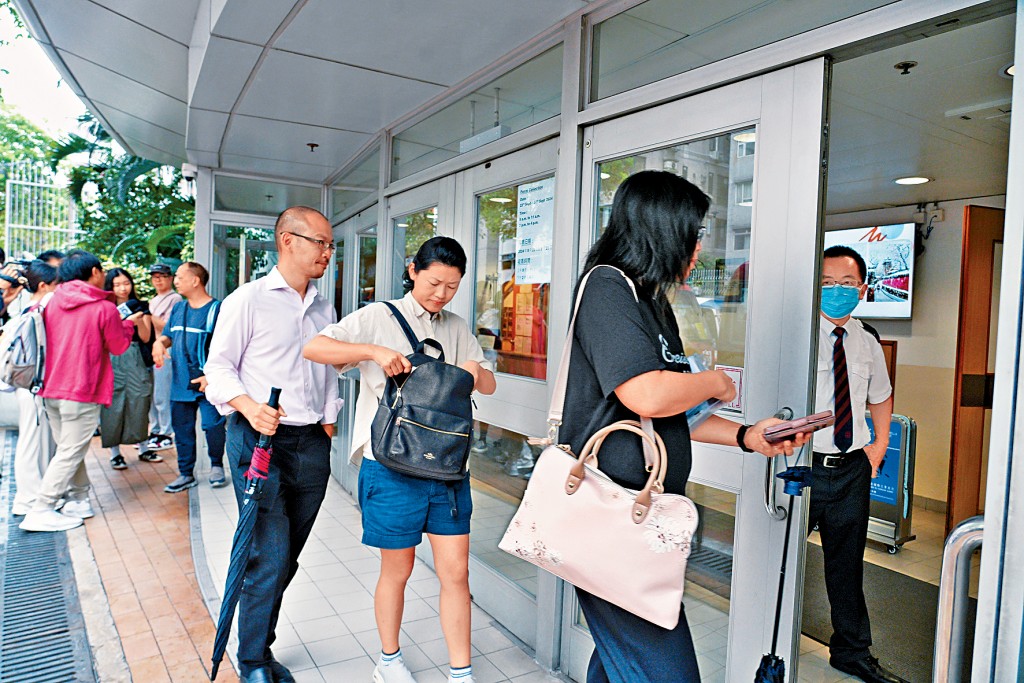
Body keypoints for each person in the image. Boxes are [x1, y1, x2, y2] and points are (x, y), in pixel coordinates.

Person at [558, 171, 801, 682]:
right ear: (663, 230)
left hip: (647, 519)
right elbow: (643, 392)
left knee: (620, 662)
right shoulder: (607, 286)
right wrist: (713, 381)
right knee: (666, 672)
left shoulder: (652, 301)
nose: (698, 246)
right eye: (695, 232)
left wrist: (746, 435)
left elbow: (670, 411)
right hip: (613, 521)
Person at [304, 236, 497, 683]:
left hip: (448, 468)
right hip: (392, 465)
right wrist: (373, 351)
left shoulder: (457, 326)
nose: (441, 295)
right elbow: (316, 348)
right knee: (398, 567)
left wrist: (474, 371)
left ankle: (461, 672)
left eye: (451, 286)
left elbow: (486, 385)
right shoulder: (378, 316)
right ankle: (388, 660)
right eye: (434, 283)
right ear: (413, 270)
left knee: (457, 573)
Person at [204, 206, 342, 683]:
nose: (328, 252)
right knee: (269, 554)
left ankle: (259, 642)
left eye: (330, 244)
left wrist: (329, 421)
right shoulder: (248, 300)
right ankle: (253, 661)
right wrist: (246, 404)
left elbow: (326, 371)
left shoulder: (325, 306)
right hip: (259, 441)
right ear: (287, 240)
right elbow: (217, 368)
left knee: (289, 555)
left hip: (311, 445)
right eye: (320, 242)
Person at [810, 245, 904, 683]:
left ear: (862, 289)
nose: (835, 291)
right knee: (777, 554)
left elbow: (880, 396)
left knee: (847, 563)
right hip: (802, 465)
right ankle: (763, 635)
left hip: (851, 468)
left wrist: (880, 443)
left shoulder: (866, 340)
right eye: (826, 283)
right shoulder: (799, 335)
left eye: (845, 284)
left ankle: (851, 651)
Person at [20, 249, 136, 532]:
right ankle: (42, 507)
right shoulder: (103, 308)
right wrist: (128, 326)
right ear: (94, 273)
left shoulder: (51, 301)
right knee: (70, 451)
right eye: (102, 271)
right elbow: (119, 346)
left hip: (50, 389)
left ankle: (79, 498)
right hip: (82, 389)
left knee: (68, 449)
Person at [152, 262, 227, 492]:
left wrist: (212, 376)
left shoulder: (218, 309)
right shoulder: (178, 308)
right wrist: (159, 343)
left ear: (195, 280)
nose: (175, 281)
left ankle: (217, 465)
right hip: (180, 382)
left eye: (179, 277)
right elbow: (168, 336)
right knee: (182, 430)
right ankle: (186, 474)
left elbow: (227, 348)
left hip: (208, 383)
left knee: (213, 426)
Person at [9, 260, 60, 516]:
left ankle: (33, 495)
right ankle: (28, 499)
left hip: (29, 385)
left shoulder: (27, 309)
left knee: (36, 440)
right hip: (33, 386)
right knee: (31, 441)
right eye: (56, 284)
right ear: (43, 285)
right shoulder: (40, 309)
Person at [101, 268, 157, 470]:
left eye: (126, 283)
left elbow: (145, 337)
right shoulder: (104, 307)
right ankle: (114, 453)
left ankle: (143, 446)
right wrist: (123, 322)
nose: (123, 288)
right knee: (113, 403)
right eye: (116, 285)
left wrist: (139, 320)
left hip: (135, 356)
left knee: (140, 399)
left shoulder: (141, 306)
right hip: (111, 357)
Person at [142, 262, 182, 456]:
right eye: (154, 276)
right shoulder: (154, 300)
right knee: (153, 394)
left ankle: (167, 432)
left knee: (162, 394)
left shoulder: (175, 299)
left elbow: (168, 327)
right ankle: (156, 430)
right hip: (152, 351)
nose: (158, 280)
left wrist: (148, 316)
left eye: (162, 276)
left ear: (170, 278)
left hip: (166, 351)